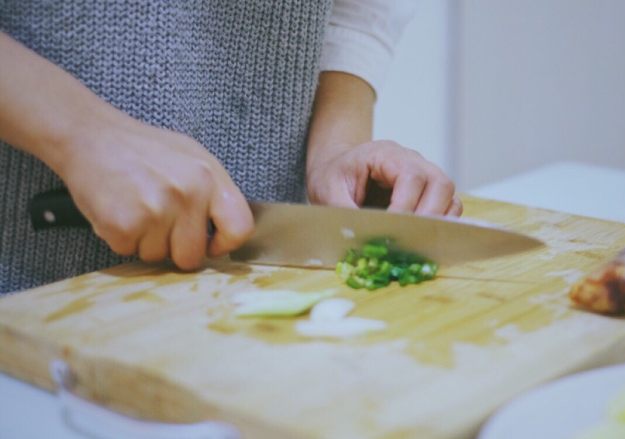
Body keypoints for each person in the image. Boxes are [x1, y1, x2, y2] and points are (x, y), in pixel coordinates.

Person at [0, 0, 461, 294]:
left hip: (239, 298)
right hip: (26, 283)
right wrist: (82, 132)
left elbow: (358, 13)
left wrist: (337, 148)